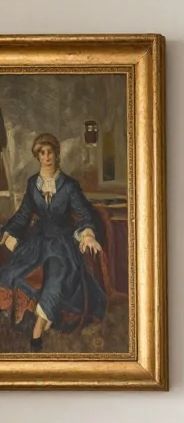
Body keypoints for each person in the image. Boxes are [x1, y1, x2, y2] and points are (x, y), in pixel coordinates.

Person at [0, 133, 107, 349]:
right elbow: (24, 214)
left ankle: (38, 331)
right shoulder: (33, 184)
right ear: (37, 156)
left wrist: (87, 234)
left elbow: (84, 214)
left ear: (57, 155)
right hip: (38, 242)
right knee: (12, 273)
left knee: (56, 273)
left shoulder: (69, 185)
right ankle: (29, 317)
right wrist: (8, 232)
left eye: (50, 152)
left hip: (62, 243)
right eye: (42, 153)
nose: (47, 157)